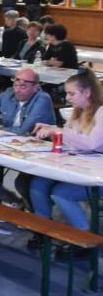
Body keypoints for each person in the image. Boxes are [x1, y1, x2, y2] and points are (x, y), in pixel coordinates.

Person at [30, 73, 103, 238]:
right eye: (67, 93)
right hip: (80, 166)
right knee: (37, 184)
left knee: (62, 193)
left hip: (98, 174)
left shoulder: (102, 113)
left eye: (72, 94)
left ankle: (83, 236)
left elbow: (91, 143)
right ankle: (43, 229)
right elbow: (71, 141)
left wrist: (58, 131)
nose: (67, 98)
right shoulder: (77, 113)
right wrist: (50, 128)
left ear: (87, 92)